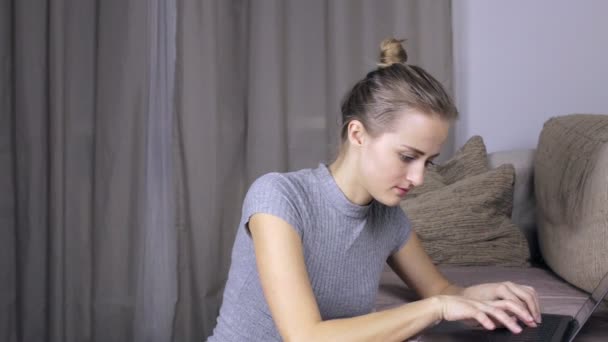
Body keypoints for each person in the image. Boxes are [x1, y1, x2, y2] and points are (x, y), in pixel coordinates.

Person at [208, 38, 541, 342]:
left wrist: (487, 298)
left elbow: (440, 289)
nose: (418, 178)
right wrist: (439, 308)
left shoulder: (389, 219)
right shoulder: (278, 198)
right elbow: (305, 337)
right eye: (407, 156)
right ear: (357, 134)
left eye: (428, 162)